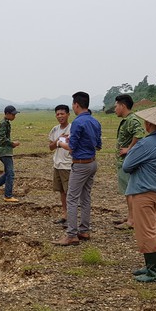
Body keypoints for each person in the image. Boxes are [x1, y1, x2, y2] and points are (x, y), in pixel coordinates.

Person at [123, 104, 156, 282]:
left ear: (149, 124)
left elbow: (127, 165)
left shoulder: (146, 143)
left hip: (145, 191)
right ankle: (152, 266)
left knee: (146, 230)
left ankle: (154, 272)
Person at [52, 92, 102, 246]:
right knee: (85, 197)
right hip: (92, 163)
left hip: (80, 164)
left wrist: (60, 143)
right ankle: (84, 230)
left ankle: (71, 234)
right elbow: (98, 146)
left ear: (76, 105)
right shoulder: (95, 122)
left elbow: (72, 148)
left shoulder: (78, 123)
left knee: (72, 199)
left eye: (73, 105)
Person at [113, 94, 145, 230]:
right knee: (128, 192)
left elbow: (140, 134)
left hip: (128, 162)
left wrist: (129, 149)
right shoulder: (127, 120)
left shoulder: (132, 120)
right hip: (124, 162)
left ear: (122, 106)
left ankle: (132, 220)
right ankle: (130, 216)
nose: (115, 109)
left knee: (130, 192)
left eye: (116, 106)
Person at [0, 105, 21, 202]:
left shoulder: (6, 123)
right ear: (7, 114)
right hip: (4, 152)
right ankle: (8, 196)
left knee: (8, 173)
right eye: (13, 114)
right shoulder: (3, 123)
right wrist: (12, 143)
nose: (14, 116)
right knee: (10, 174)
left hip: (5, 151)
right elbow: (1, 138)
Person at [48, 104, 72, 224]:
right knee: (62, 191)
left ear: (68, 114)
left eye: (62, 114)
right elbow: (50, 147)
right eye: (57, 114)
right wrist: (58, 140)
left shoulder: (73, 129)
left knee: (70, 192)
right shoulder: (55, 129)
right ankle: (65, 214)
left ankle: (71, 217)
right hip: (57, 164)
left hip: (68, 165)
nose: (60, 116)